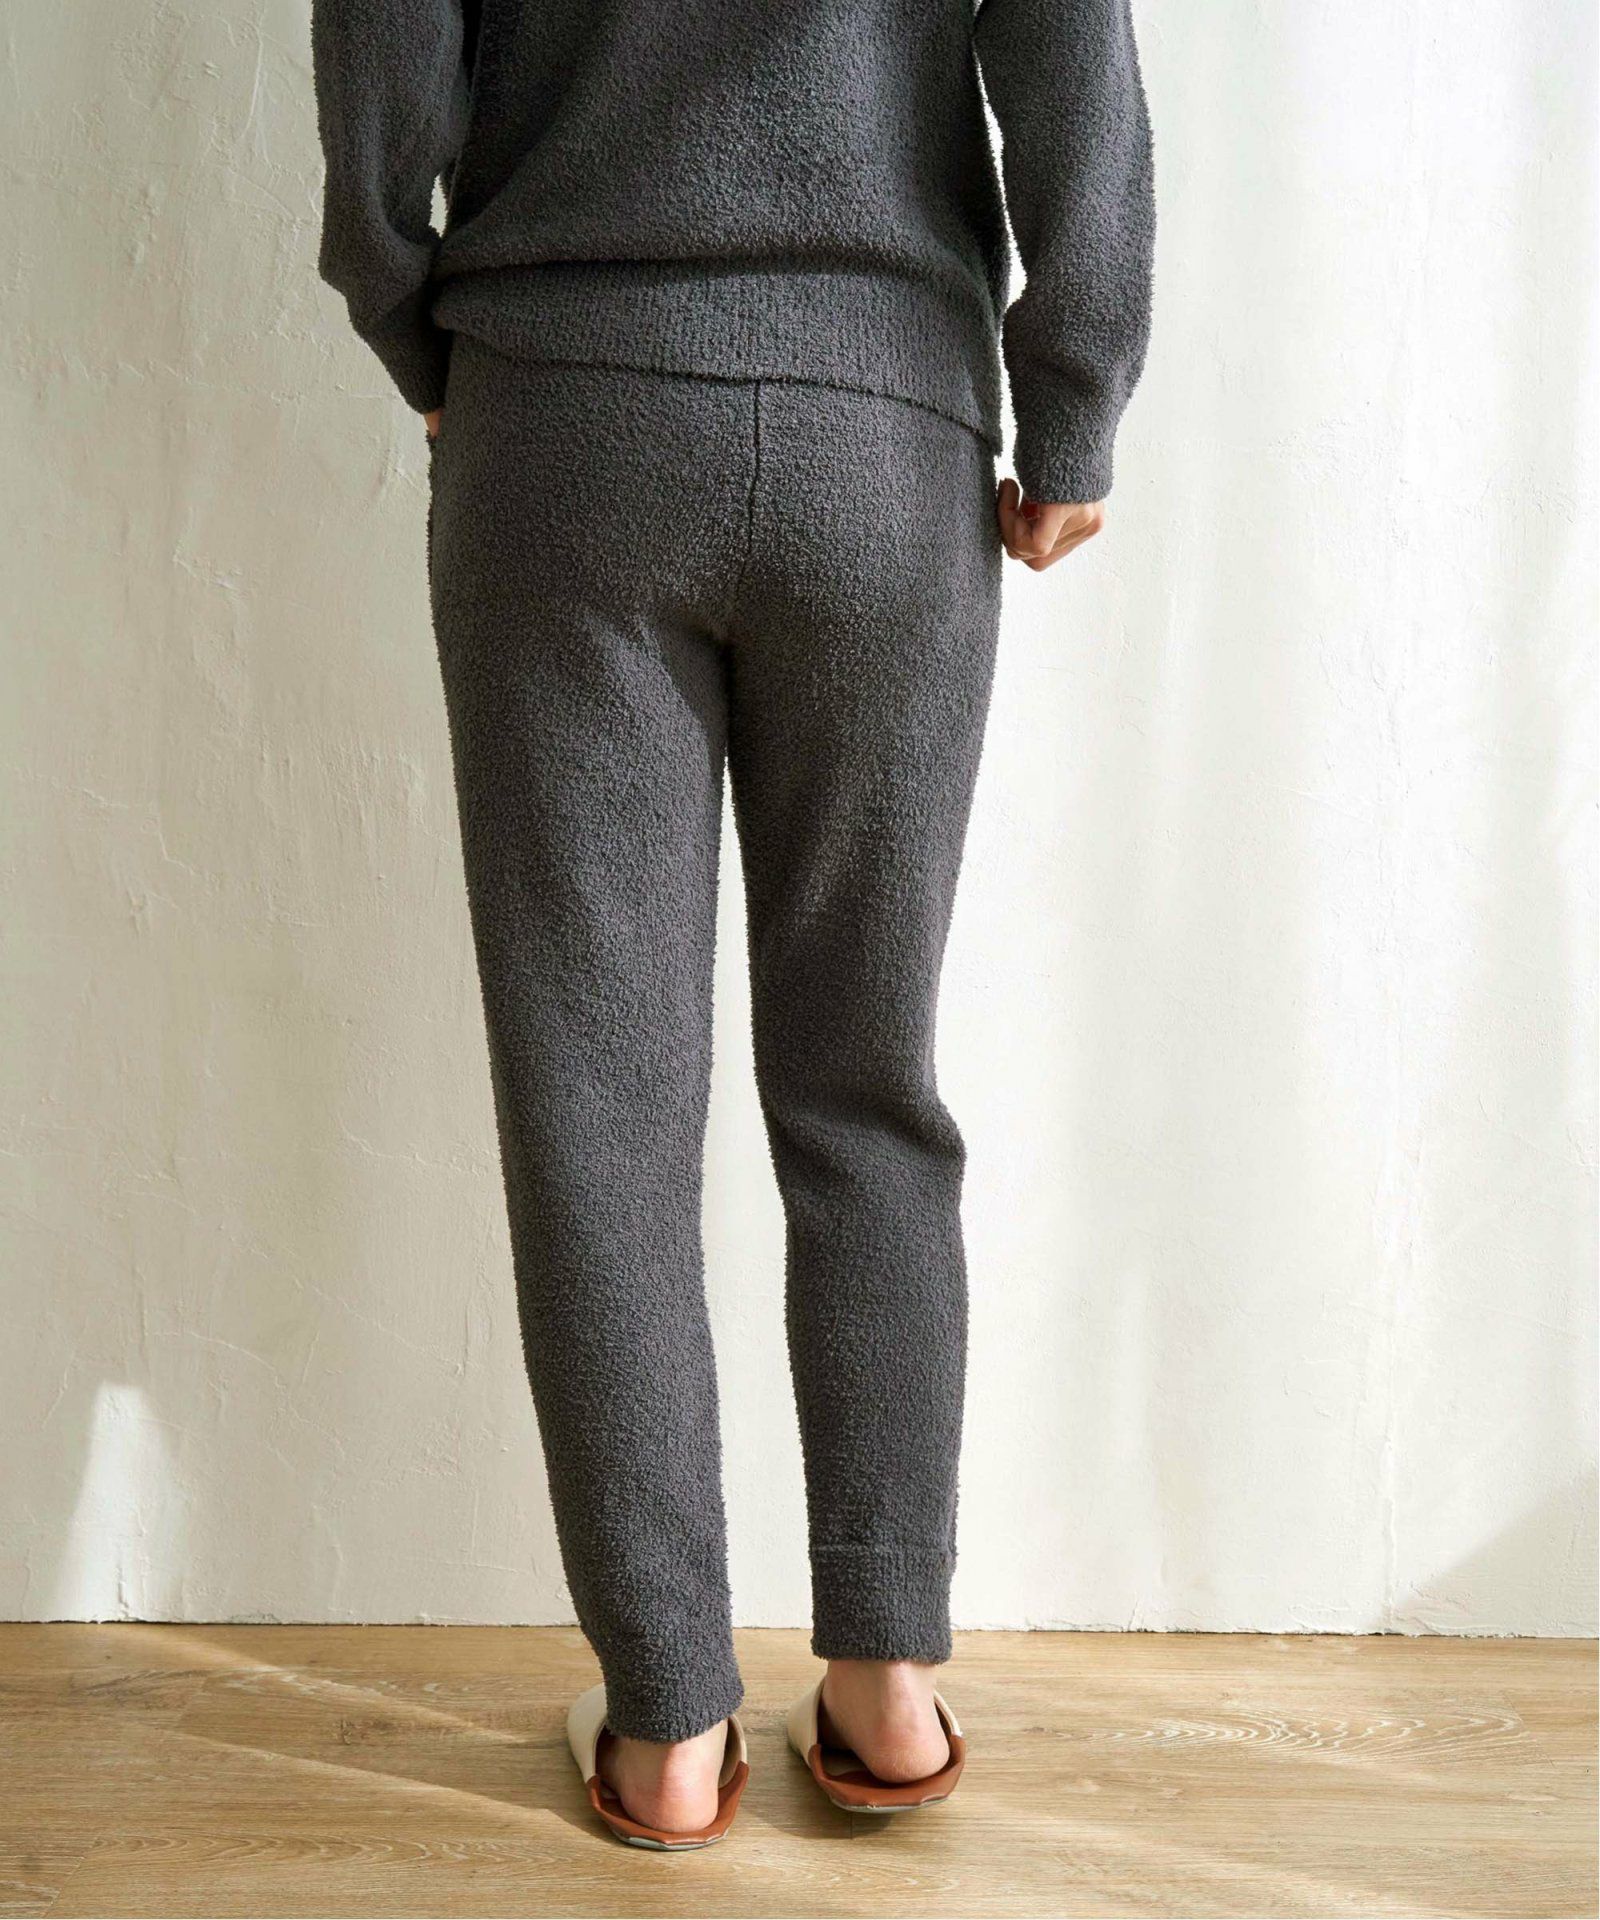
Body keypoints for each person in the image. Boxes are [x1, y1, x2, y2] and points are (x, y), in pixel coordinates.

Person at [311, 0, 1153, 1848]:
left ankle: (666, 1725)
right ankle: (885, 1681)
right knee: (865, 1081)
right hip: (884, 423)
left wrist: (411, 314)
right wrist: (1076, 399)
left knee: (599, 1110)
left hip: (564, 408)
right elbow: (1068, 45)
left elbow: (385, 44)